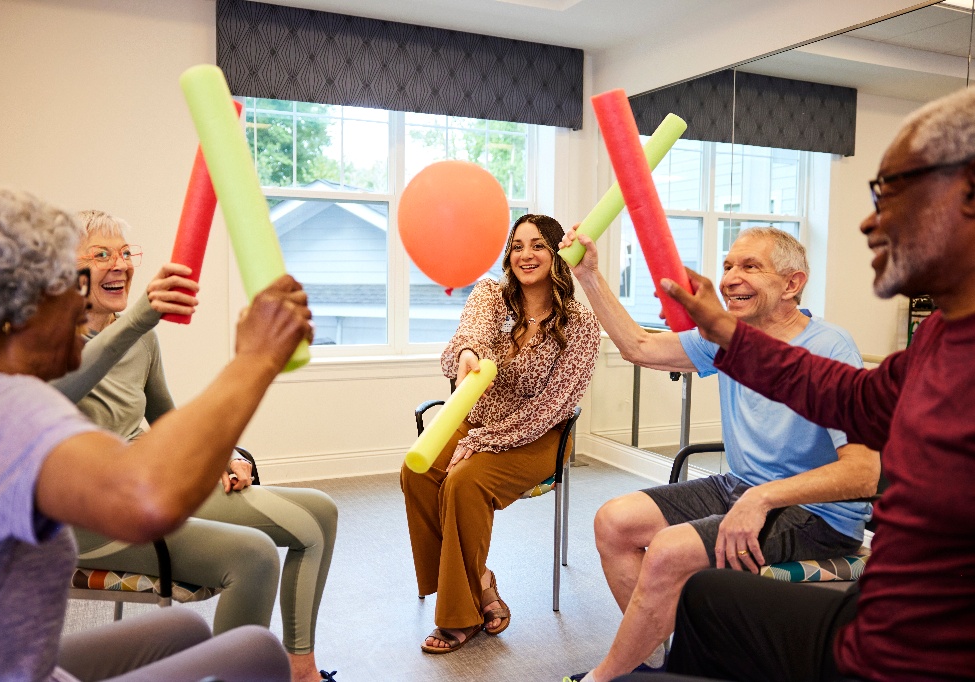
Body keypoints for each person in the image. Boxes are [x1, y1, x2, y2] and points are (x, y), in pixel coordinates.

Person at [628, 82, 975, 682]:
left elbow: (863, 466)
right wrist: (725, 332)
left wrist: (766, 498)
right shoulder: (942, 337)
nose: (869, 221)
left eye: (891, 193)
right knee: (708, 600)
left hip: (919, 654)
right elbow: (849, 396)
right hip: (873, 621)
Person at [0, 180, 309, 681]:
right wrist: (256, 359)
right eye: (70, 285)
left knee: (182, 629)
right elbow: (145, 499)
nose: (83, 306)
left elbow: (162, 424)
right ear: (15, 310)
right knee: (256, 652)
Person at [559, 227, 880, 681]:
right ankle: (655, 664)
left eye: (750, 267)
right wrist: (589, 275)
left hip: (817, 516)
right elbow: (639, 346)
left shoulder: (829, 348)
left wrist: (764, 499)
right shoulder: (726, 338)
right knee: (614, 521)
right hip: (742, 488)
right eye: (728, 266)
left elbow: (865, 474)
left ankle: (605, 677)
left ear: (792, 284)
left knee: (669, 550)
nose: (730, 278)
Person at [50, 210, 338, 682]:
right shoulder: (55, 342)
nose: (118, 264)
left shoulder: (141, 339)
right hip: (97, 514)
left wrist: (224, 455)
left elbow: (166, 416)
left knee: (320, 514)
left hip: (153, 477)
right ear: (68, 271)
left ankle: (297, 670)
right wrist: (140, 319)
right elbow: (66, 383)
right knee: (254, 555)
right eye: (100, 254)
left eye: (125, 254)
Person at [400, 214, 600, 654]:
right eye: (517, 246)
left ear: (557, 253)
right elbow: (466, 335)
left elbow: (551, 409)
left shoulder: (581, 325)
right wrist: (469, 352)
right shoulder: (492, 294)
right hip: (480, 420)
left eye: (538, 246)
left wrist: (476, 444)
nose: (525, 255)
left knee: (464, 481)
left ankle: (460, 616)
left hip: (539, 437)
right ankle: (481, 582)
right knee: (416, 472)